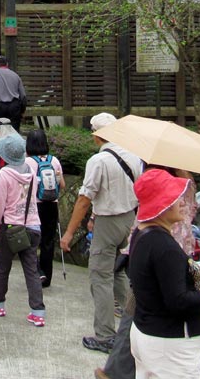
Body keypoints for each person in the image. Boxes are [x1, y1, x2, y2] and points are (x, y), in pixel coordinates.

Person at [96, 166, 199, 379]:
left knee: (137, 310)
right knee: (139, 313)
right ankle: (117, 370)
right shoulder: (185, 183)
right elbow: (191, 212)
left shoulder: (163, 185)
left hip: (159, 255)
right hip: (173, 253)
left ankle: (116, 370)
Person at [127, 169, 200, 377]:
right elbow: (179, 301)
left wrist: (189, 270)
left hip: (147, 331)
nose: (183, 203)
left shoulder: (141, 233)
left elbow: (155, 275)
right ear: (161, 206)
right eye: (175, 198)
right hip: (169, 343)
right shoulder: (164, 246)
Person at [60, 112, 142, 354]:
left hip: (109, 222)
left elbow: (85, 199)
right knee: (118, 272)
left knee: (100, 276)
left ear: (97, 134)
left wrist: (68, 233)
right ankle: (136, 324)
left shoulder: (99, 161)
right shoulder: (134, 156)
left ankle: (105, 335)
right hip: (129, 219)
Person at [0, 134, 47, 327]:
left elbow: (0, 205)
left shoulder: (3, 174)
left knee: (3, 267)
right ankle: (38, 312)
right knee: (31, 270)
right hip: (33, 224)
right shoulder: (31, 171)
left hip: (12, 226)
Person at [25, 129, 67, 288]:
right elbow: (62, 184)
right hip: (52, 204)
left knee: (30, 242)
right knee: (48, 242)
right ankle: (47, 277)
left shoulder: (28, 162)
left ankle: (37, 273)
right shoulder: (54, 160)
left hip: (35, 205)